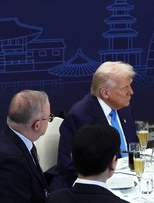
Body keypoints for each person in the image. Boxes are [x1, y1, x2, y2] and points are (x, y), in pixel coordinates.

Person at [51, 60, 138, 189]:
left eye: (130, 86)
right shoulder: (79, 117)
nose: (131, 92)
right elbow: (68, 165)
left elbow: (134, 147)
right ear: (105, 93)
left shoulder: (124, 109)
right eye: (125, 88)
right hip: (98, 186)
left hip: (131, 180)